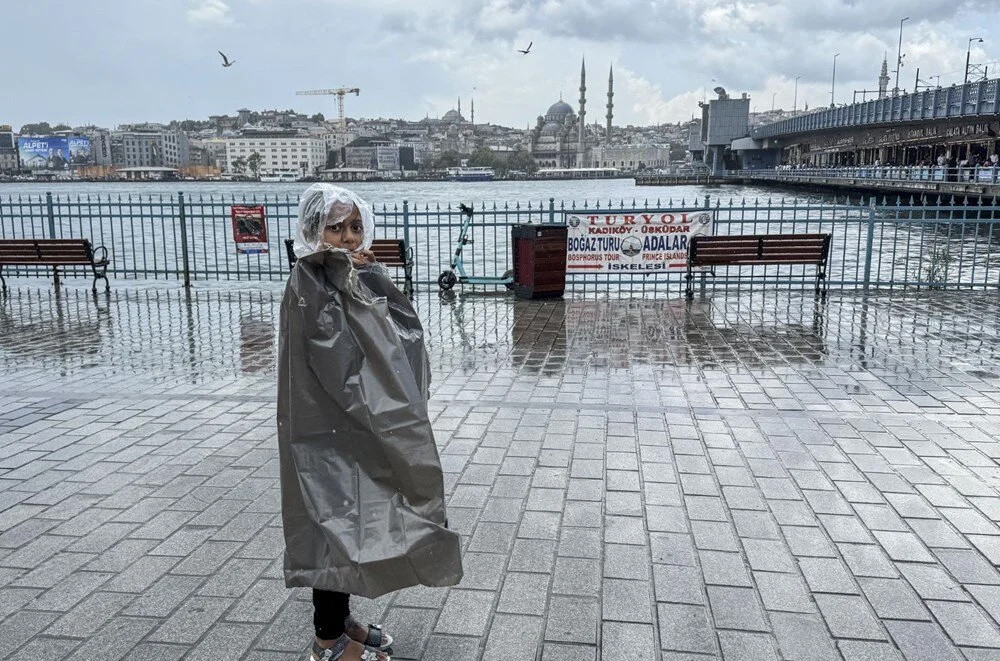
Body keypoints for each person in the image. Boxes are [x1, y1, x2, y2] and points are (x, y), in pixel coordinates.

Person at [277, 184, 463, 661]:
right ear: (313, 231)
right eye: (335, 227)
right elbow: (345, 360)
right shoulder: (312, 281)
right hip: (327, 432)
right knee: (330, 523)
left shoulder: (344, 277)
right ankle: (327, 639)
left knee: (350, 521)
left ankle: (339, 621)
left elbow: (397, 341)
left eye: (355, 227)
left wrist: (368, 278)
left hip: (350, 428)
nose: (346, 237)